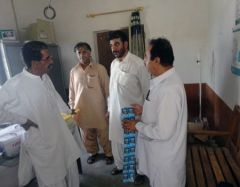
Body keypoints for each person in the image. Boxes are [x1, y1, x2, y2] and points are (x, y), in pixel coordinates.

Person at [0, 41, 81, 187]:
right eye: (47, 58)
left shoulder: (44, 77)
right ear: (34, 62)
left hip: (59, 136)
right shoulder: (15, 85)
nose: (52, 61)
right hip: (42, 143)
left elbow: (55, 98)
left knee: (69, 170)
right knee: (52, 180)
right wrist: (21, 120)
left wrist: (69, 111)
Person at [122, 38, 188, 187]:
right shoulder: (162, 81)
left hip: (165, 164)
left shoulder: (169, 89)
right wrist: (144, 110)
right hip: (158, 157)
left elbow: (163, 132)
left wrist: (137, 125)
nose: (144, 61)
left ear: (156, 60)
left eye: (146, 57)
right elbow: (164, 112)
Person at [107, 30, 149, 182]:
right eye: (111, 45)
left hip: (131, 113)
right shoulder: (113, 64)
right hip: (115, 112)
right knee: (117, 143)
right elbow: (112, 89)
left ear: (125, 44)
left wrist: (145, 113)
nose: (114, 48)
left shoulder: (138, 64)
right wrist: (109, 109)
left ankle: (139, 171)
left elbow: (147, 91)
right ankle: (120, 166)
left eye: (117, 44)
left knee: (135, 146)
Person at [69, 42, 113, 165]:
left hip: (99, 109)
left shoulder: (100, 68)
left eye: (84, 52)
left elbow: (108, 90)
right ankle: (92, 153)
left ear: (90, 52)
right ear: (76, 55)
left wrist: (109, 108)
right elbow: (71, 93)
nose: (82, 55)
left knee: (104, 134)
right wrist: (72, 110)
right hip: (81, 110)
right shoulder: (73, 71)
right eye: (79, 52)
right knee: (87, 135)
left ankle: (109, 154)